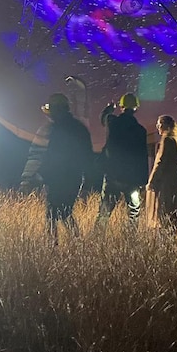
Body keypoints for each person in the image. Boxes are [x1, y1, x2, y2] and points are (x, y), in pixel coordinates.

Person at [19, 93, 93, 244]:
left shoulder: (52, 130)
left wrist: (31, 178)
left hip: (56, 179)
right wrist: (88, 181)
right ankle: (78, 245)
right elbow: (88, 158)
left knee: (52, 215)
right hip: (74, 179)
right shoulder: (80, 129)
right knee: (65, 212)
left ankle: (53, 247)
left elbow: (42, 156)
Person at [94, 92, 149, 230]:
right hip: (132, 178)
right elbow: (142, 156)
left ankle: (96, 240)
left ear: (122, 106)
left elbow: (102, 118)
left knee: (105, 210)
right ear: (136, 108)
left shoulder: (113, 122)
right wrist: (143, 180)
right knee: (134, 212)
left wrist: (109, 108)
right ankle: (131, 240)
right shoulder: (141, 130)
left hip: (113, 175)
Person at [145, 115, 177, 234]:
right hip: (175, 183)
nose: (157, 127)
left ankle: (163, 245)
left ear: (165, 125)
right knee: (173, 215)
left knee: (163, 214)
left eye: (159, 124)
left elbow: (160, 162)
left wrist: (151, 181)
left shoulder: (167, 140)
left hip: (165, 184)